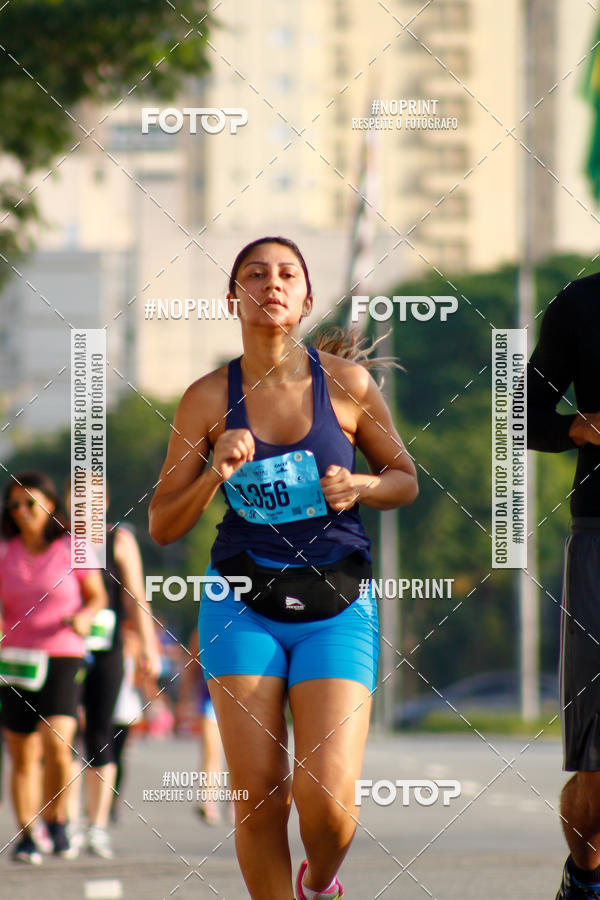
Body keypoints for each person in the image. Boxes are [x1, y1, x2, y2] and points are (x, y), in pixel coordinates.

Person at [149, 236, 418, 900]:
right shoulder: (208, 398)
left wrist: (361, 487)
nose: (271, 283)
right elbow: (162, 524)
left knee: (327, 804)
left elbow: (405, 479)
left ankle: (318, 884)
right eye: (255, 274)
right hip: (241, 599)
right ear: (232, 297)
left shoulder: (348, 385)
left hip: (338, 600)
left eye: (287, 275)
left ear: (304, 299)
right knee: (260, 799)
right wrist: (215, 471)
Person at [527, 272, 600, 900]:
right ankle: (585, 877)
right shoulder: (581, 305)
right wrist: (578, 428)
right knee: (598, 772)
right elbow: (524, 414)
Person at [0, 470, 107, 863]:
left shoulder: (72, 548)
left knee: (58, 743)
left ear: (49, 504)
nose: (22, 512)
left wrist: (84, 616)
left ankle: (57, 819)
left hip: (63, 651)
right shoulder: (4, 551)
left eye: (30, 503)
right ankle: (28, 834)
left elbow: (97, 598)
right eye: (14, 505)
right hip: (15, 659)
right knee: (22, 752)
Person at [65, 483, 161, 859]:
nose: (82, 506)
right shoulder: (61, 542)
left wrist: (149, 648)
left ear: (103, 503)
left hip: (108, 651)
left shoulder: (118, 541)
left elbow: (137, 596)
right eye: (76, 499)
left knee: (101, 736)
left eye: (90, 499)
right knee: (64, 734)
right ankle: (66, 822)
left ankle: (97, 826)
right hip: (66, 649)